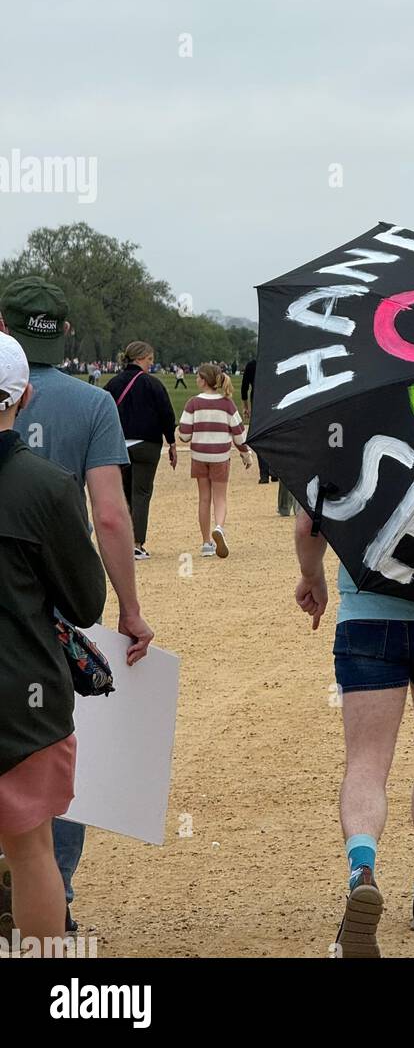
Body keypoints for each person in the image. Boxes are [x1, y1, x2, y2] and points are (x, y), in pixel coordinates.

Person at [0, 277, 153, 928]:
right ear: (64, 331)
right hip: (41, 630)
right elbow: (113, 518)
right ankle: (50, 911)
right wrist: (129, 607)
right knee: (35, 824)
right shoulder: (91, 405)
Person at [294, 516, 414, 958]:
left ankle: (362, 872)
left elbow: (307, 525)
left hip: (367, 615)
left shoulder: (339, 442)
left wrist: (312, 576)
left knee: (366, 762)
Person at [0, 334, 107, 954]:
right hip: (23, 698)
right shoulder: (45, 486)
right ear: (26, 396)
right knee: (32, 848)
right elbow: (85, 602)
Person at [105, 342, 178, 559]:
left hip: (119, 444)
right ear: (140, 358)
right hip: (147, 445)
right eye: (149, 359)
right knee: (142, 493)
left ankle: (122, 542)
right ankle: (136, 543)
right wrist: (171, 442)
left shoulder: (113, 384)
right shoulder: (153, 384)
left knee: (124, 494)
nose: (151, 363)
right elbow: (167, 415)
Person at [178, 362, 251, 557]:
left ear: (204, 381)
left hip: (199, 456)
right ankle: (219, 527)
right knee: (220, 497)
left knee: (204, 498)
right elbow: (239, 435)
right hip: (220, 456)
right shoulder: (227, 404)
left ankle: (205, 543)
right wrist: (246, 456)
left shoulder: (193, 403)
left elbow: (184, 436)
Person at [241, 355, 274, 485]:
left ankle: (264, 474)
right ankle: (274, 470)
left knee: (261, 435)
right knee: (273, 435)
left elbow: (244, 388)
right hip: (274, 401)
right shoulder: (273, 361)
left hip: (258, 401)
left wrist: (245, 407)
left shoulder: (251, 365)